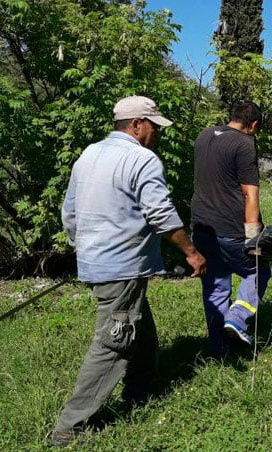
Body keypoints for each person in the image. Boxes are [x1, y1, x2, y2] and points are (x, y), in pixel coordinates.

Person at [51, 96, 206, 447]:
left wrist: (87, 248)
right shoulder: (142, 158)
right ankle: (70, 425)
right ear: (136, 125)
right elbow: (161, 214)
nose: (158, 135)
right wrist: (191, 252)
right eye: (154, 127)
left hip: (98, 261)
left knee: (143, 334)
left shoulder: (88, 155)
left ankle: (138, 394)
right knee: (114, 341)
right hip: (120, 266)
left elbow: (69, 213)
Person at [191, 101, 271, 357]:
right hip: (231, 228)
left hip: (202, 227)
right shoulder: (244, 144)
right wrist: (253, 239)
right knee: (257, 272)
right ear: (254, 125)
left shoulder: (204, 135)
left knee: (216, 286)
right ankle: (237, 317)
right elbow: (250, 195)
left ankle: (218, 349)